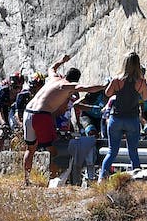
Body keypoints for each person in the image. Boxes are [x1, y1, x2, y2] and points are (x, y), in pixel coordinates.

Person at [23, 54, 102, 184]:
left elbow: (52, 67)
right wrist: (104, 86)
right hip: (41, 115)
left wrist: (62, 60)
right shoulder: (67, 86)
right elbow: (87, 88)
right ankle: (53, 179)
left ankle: (26, 180)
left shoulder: (54, 78)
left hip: (28, 112)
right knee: (54, 151)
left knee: (30, 149)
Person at [100, 52, 147, 181]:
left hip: (116, 119)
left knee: (112, 152)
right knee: (133, 152)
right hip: (132, 119)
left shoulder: (116, 80)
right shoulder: (141, 81)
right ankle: (138, 180)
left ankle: (101, 179)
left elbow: (107, 93)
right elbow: (145, 97)